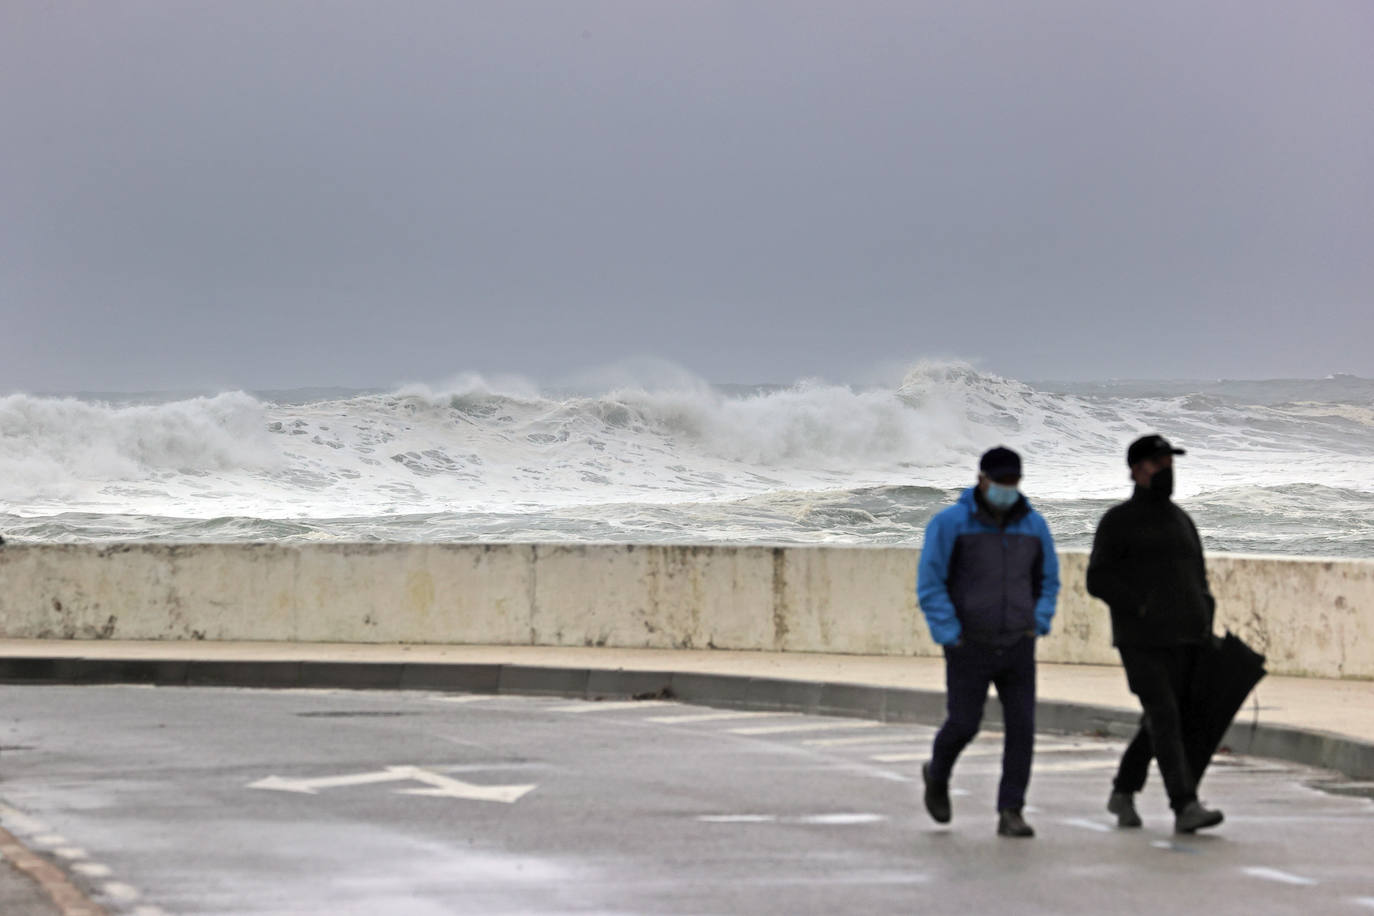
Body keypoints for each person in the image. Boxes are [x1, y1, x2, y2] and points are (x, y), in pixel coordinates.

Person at [917, 446, 1059, 838]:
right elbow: (931, 583)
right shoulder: (950, 524)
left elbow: (1048, 579)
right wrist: (950, 635)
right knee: (964, 723)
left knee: (1022, 728)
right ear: (982, 480)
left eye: (1014, 483)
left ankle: (1011, 809)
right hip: (969, 644)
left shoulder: (1033, 525)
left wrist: (1038, 621)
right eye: (1001, 483)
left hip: (1018, 642)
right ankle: (937, 772)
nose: (1008, 490)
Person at [1086, 434, 1224, 834]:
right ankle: (1185, 805)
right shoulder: (1118, 521)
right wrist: (1140, 606)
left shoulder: (1182, 520)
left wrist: (1206, 625)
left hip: (1187, 640)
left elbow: (1199, 581)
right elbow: (1097, 579)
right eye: (1158, 463)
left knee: (1163, 719)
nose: (1167, 470)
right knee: (1164, 717)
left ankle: (1122, 791)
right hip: (1140, 641)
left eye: (1170, 463)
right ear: (1136, 469)